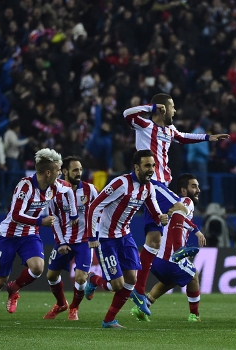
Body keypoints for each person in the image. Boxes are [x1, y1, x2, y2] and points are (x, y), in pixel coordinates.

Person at [122, 93, 228, 314]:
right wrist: (151, 107)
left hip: (156, 189)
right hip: (155, 185)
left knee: (153, 239)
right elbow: (127, 114)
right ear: (163, 108)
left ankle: (139, 291)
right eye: (172, 107)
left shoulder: (169, 131)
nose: (175, 111)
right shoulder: (145, 125)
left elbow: (184, 136)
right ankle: (179, 251)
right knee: (183, 205)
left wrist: (208, 138)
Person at [0, 148, 62, 331]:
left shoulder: (55, 186)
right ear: (48, 172)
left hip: (30, 234)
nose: (60, 173)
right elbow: (15, 215)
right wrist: (41, 221)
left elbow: (70, 189)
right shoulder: (25, 186)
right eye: (58, 170)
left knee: (37, 267)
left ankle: (14, 288)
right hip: (9, 235)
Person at [83, 150, 168, 328]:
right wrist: (92, 236)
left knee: (131, 280)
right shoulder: (121, 183)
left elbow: (153, 209)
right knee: (116, 284)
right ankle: (93, 279)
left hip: (125, 236)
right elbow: (94, 206)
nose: (151, 169)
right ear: (136, 167)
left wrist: (160, 217)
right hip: (106, 238)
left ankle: (109, 320)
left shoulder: (148, 187)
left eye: (153, 165)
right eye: (147, 165)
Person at [131, 173, 207, 322]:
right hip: (171, 257)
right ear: (184, 191)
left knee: (170, 281)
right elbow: (180, 214)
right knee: (193, 276)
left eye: (198, 186)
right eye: (194, 186)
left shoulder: (169, 202)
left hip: (157, 258)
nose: (198, 190)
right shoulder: (186, 201)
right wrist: (196, 231)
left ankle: (143, 305)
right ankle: (194, 315)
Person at [43, 156, 98, 321]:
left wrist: (95, 233)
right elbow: (54, 219)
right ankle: (61, 303)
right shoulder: (54, 192)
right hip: (64, 240)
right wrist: (61, 243)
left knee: (81, 277)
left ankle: (74, 307)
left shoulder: (90, 190)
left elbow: (100, 209)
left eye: (80, 170)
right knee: (51, 275)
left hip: (84, 241)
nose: (79, 173)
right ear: (65, 171)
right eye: (75, 170)